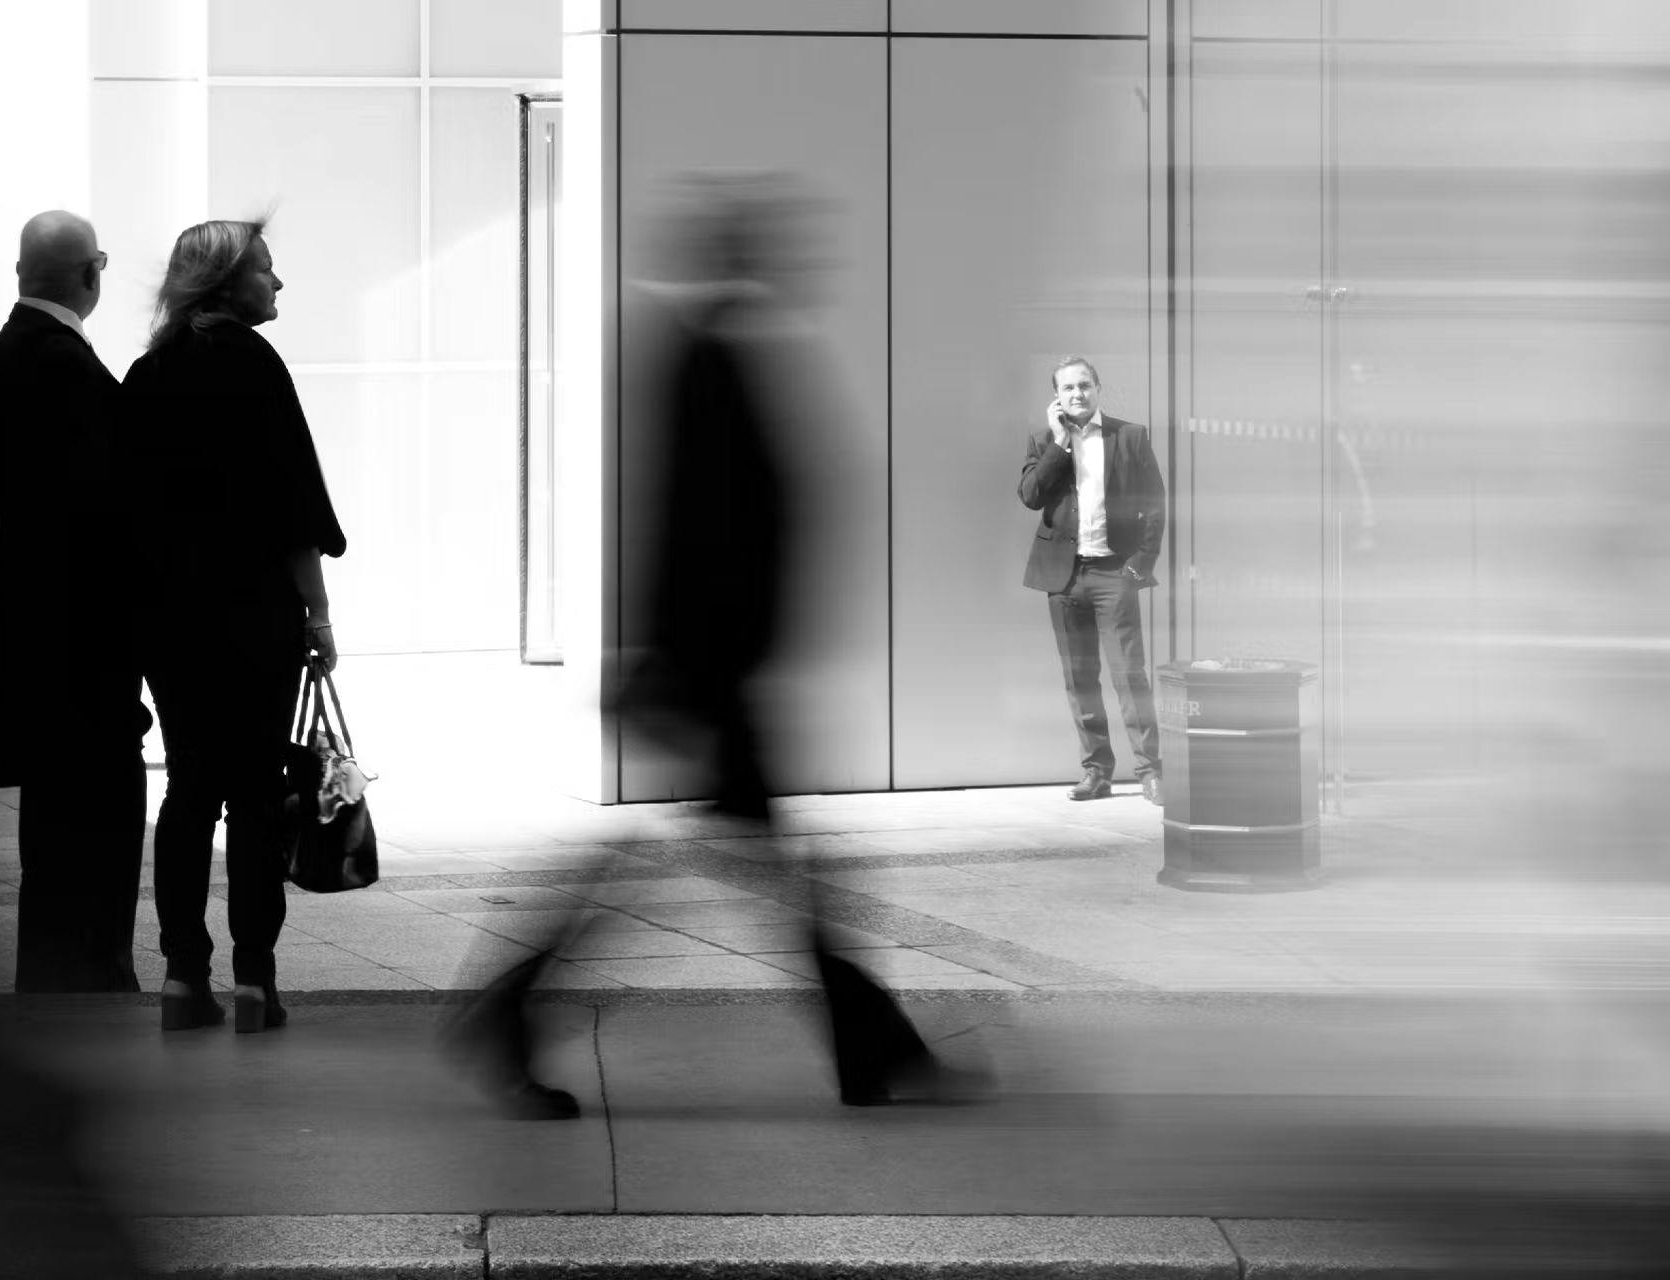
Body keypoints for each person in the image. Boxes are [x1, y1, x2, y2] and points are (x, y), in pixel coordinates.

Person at [445, 175, 985, 1118]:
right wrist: (677, 660)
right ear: (737, 254)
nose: (798, 266)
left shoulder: (716, 347)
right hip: (712, 667)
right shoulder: (706, 354)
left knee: (749, 866)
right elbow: (694, 523)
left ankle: (510, 1010)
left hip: (713, 664)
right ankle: (870, 1053)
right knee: (771, 870)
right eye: (774, 248)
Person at [122, 220, 344, 1035]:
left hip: (172, 618)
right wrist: (318, 611)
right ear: (227, 282)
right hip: (255, 612)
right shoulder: (253, 364)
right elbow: (293, 501)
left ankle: (183, 976)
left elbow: (128, 508)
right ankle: (256, 983)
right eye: (266, 271)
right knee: (255, 796)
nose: (277, 284)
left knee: (188, 791)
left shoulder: (150, 371)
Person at [0, 210, 151, 992]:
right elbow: (100, 513)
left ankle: (55, 974)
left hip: (34, 638)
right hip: (82, 650)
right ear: (92, 273)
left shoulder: (5, 356)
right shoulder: (60, 364)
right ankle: (90, 975)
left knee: (52, 831)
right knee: (96, 821)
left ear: (19, 273)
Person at [1018, 356, 1166, 804]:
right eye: (1068, 389)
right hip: (1063, 578)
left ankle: (1150, 771)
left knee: (1129, 676)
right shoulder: (1044, 439)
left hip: (1113, 573)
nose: (1077, 394)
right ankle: (1097, 773)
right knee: (1079, 679)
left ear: (1098, 389)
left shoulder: (1131, 436)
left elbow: (1156, 505)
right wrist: (1060, 445)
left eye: (1084, 386)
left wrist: (1139, 565)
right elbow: (1030, 496)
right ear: (1056, 397)